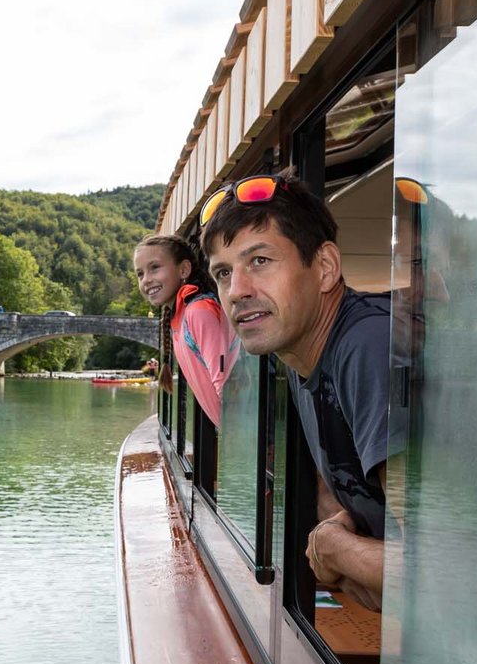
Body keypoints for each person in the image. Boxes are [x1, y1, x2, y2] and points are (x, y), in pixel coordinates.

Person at [200, 174, 388, 610]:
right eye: (223, 273)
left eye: (260, 261)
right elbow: (333, 511)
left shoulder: (368, 347)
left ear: (324, 268)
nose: (237, 291)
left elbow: (453, 576)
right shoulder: (301, 358)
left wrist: (338, 549)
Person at [132, 233, 233, 426]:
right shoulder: (180, 316)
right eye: (140, 274)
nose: (146, 280)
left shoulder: (199, 311)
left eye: (154, 268)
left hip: (243, 437)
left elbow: (226, 387)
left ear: (184, 269)